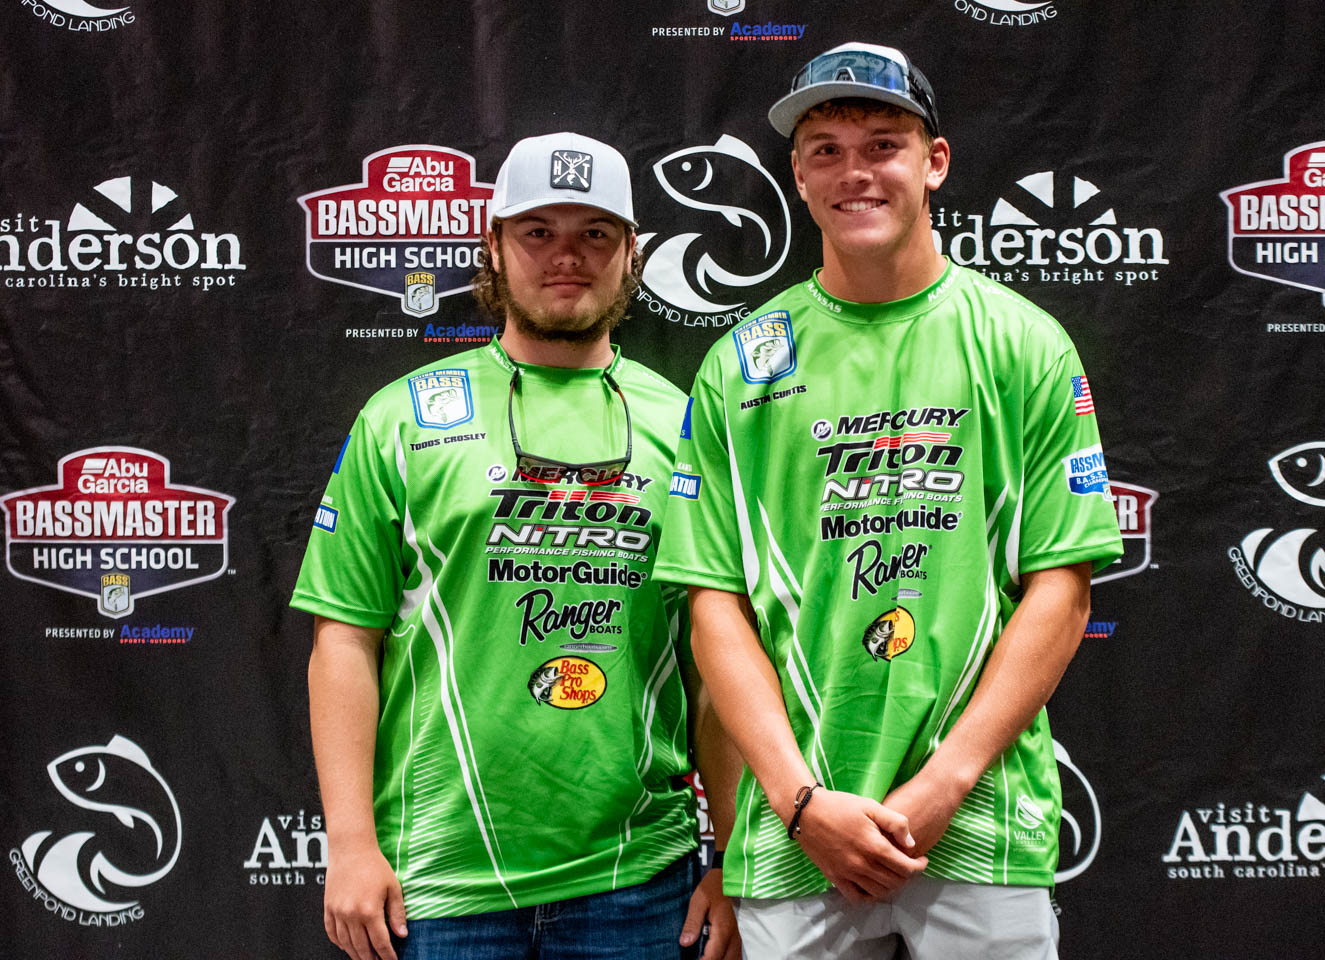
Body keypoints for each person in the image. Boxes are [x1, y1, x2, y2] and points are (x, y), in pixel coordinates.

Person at [653, 43, 1124, 960]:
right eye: (825, 150)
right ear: (797, 176)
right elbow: (713, 607)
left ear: (934, 161)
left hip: (980, 819)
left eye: (882, 144)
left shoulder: (1024, 344)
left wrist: (943, 786)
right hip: (799, 836)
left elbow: (1063, 590)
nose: (853, 172)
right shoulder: (741, 366)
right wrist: (799, 803)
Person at [293, 132, 740, 960]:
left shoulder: (685, 426)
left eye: (594, 233)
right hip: (439, 885)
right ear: (493, 246)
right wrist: (350, 843)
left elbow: (715, 663)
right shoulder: (401, 419)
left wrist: (731, 856)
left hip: (639, 880)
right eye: (538, 232)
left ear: (632, 253)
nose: (566, 256)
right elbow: (345, 640)